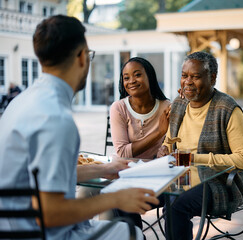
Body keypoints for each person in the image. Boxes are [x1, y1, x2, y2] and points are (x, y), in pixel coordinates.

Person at [0, 15, 159, 240]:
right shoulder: (55, 117)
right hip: (40, 233)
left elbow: (45, 177)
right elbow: (49, 213)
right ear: (82, 57)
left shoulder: (21, 102)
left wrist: (106, 169)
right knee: (131, 233)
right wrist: (115, 199)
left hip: (12, 229)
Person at [157, 51, 243, 240]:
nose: (187, 82)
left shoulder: (227, 109)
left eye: (195, 77)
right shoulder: (179, 104)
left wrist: (194, 159)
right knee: (131, 194)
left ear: (212, 78)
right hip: (180, 178)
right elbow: (170, 142)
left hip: (217, 184)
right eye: (184, 76)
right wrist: (164, 149)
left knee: (175, 205)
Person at [110, 57, 171, 160]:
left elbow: (173, 144)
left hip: (157, 169)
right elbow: (123, 153)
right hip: (126, 169)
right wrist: (159, 133)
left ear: (150, 77)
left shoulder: (166, 107)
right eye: (126, 78)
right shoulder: (119, 108)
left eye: (137, 75)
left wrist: (166, 149)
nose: (132, 81)